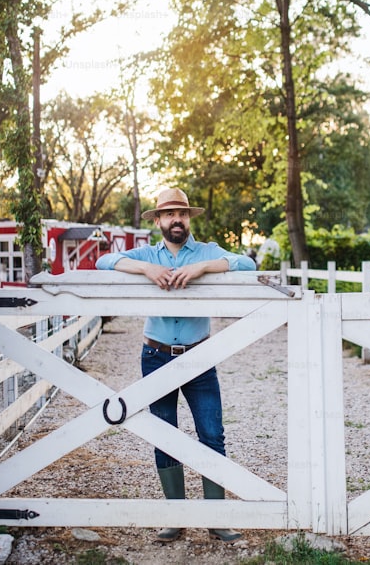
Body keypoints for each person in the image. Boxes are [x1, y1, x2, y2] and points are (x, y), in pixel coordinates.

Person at [95, 187, 256, 543]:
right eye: (169, 214)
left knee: (212, 434)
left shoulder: (207, 251)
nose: (176, 219)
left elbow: (248, 264)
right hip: (155, 356)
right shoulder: (147, 254)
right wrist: (146, 269)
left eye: (181, 213)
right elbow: (103, 262)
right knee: (164, 436)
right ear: (158, 221)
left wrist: (202, 267)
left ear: (189, 217)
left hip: (199, 356)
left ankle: (216, 520)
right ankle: (176, 517)